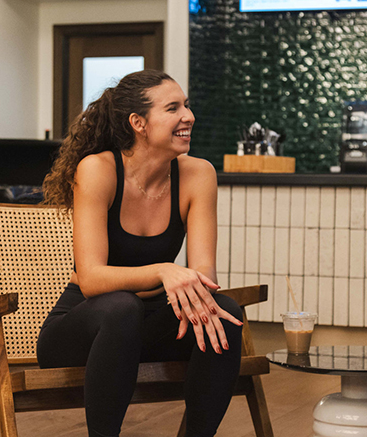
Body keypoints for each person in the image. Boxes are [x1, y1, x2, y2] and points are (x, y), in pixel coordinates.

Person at [38, 69, 244, 437]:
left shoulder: (198, 175)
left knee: (224, 310)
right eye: (173, 108)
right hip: (85, 330)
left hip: (150, 327)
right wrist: (164, 270)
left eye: (187, 105)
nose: (188, 116)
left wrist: (192, 291)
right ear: (138, 123)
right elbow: (91, 279)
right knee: (122, 307)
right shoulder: (98, 169)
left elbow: (203, 275)